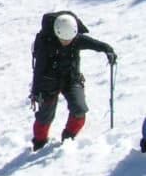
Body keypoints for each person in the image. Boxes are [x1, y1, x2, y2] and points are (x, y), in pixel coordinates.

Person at [30, 11, 117, 151]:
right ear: (57, 33)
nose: (67, 42)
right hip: (49, 82)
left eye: (69, 39)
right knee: (45, 116)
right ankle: (39, 143)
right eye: (63, 39)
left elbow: (97, 45)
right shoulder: (46, 44)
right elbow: (39, 70)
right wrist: (36, 92)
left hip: (71, 79)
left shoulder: (76, 39)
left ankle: (68, 138)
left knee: (80, 108)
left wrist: (109, 51)